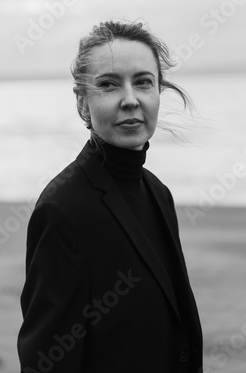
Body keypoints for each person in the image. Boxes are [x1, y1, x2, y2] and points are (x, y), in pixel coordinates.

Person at [17, 20, 203, 373]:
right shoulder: (63, 210)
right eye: (108, 85)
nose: (130, 99)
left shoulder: (157, 192)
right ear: (83, 103)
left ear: (158, 92)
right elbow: (47, 361)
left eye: (144, 82)